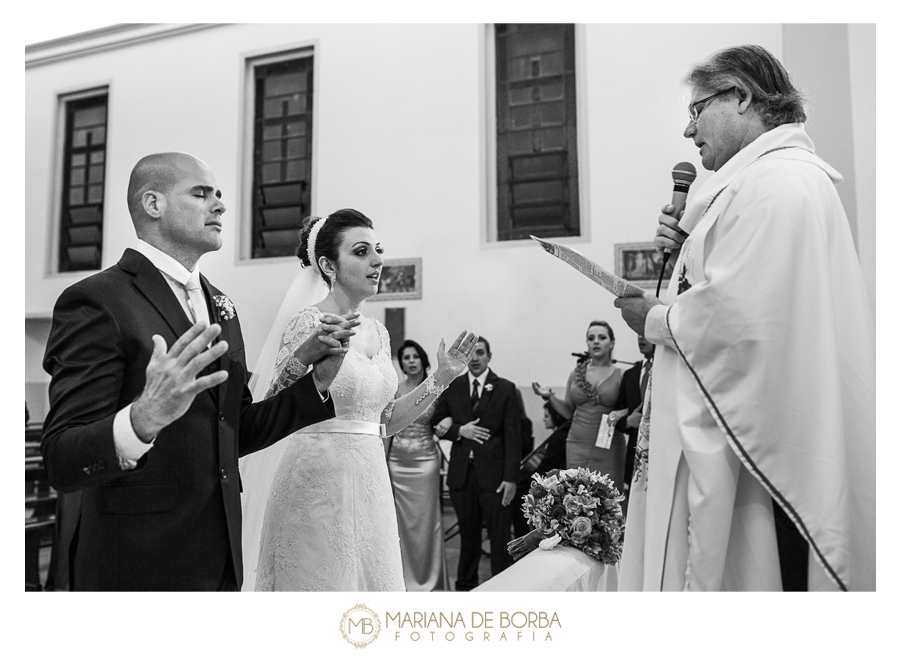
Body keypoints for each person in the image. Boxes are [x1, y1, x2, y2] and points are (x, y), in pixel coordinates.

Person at [614, 45, 874, 591]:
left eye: (697, 109)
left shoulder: (776, 184)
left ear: (740, 96)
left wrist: (655, 318)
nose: (688, 131)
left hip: (759, 463)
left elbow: (743, 321)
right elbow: (745, 292)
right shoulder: (763, 182)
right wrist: (688, 245)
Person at [40, 152, 356, 591]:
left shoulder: (220, 304)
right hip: (136, 560)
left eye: (219, 195)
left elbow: (235, 430)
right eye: (201, 194)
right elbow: (61, 458)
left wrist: (315, 384)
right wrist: (141, 419)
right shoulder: (98, 301)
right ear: (154, 204)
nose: (220, 205)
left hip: (219, 550)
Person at [240, 209, 477, 591]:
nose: (378, 261)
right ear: (327, 265)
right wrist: (309, 359)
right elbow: (273, 404)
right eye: (362, 251)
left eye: (378, 250)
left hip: (371, 486)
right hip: (315, 483)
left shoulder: (379, 333)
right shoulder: (308, 323)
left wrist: (442, 378)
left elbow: (383, 422)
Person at [431, 337, 522, 590]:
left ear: (489, 356)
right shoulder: (454, 386)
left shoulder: (505, 388)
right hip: (462, 477)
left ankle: (502, 592)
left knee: (499, 540)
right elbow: (436, 424)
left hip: (495, 478)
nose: (476, 359)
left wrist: (511, 478)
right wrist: (459, 430)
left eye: (480, 353)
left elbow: (514, 438)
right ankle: (465, 592)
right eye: (471, 355)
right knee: (468, 541)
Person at [531, 320, 629, 492]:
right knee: (577, 499)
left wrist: (621, 413)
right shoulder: (576, 374)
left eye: (602, 337)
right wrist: (549, 397)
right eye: (591, 338)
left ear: (612, 342)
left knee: (609, 499)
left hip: (609, 446)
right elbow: (569, 411)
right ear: (587, 343)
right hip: (577, 443)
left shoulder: (622, 374)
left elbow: (630, 407)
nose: (596, 341)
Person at [385, 339, 449, 591]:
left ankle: (430, 580)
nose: (410, 361)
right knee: (399, 524)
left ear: (423, 360)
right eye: (405, 358)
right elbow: (387, 430)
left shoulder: (437, 388)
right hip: (397, 462)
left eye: (414, 357)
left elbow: (450, 413)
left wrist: (450, 420)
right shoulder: (395, 390)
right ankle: (401, 581)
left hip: (426, 462)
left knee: (427, 523)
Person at [614, 335, 654, 506]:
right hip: (635, 454)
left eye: (645, 334)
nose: (640, 338)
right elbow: (616, 414)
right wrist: (628, 421)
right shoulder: (631, 374)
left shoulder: (669, 370)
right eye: (638, 334)